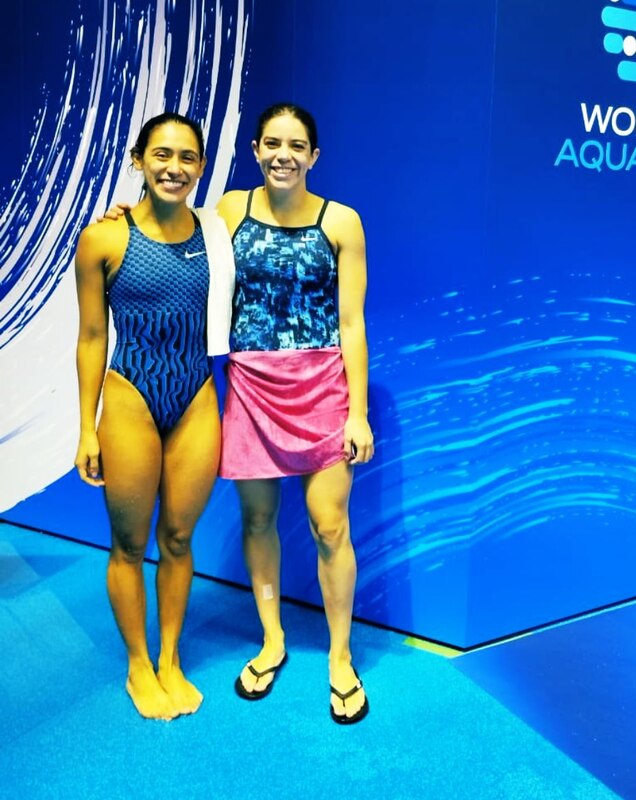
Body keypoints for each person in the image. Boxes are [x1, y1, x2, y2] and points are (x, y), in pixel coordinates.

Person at [216, 103, 374, 724]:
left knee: (329, 525)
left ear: (314, 156)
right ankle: (273, 640)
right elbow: (168, 230)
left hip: (322, 389)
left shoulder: (343, 222)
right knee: (258, 520)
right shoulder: (230, 210)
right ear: (255, 149)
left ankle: (340, 656)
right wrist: (125, 215)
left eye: (297, 145)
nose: (284, 154)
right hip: (251, 383)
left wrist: (357, 413)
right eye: (273, 143)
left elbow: (353, 324)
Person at [74, 112, 234, 720]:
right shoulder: (105, 239)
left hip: (195, 397)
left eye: (188, 157)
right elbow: (91, 336)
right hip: (130, 395)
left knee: (177, 538)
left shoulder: (216, 233)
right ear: (138, 160)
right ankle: (138, 665)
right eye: (161, 155)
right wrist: (85, 426)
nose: (175, 168)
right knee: (129, 543)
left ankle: (170, 657)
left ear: (200, 167)